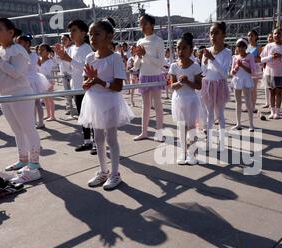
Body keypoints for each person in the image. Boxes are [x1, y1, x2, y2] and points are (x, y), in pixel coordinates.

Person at [0, 17, 42, 183]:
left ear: (10, 32)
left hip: (20, 93)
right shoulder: (0, 51)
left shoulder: (17, 50)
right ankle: (23, 159)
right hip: (4, 94)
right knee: (17, 130)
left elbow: (17, 73)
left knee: (28, 128)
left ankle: (34, 163)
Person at [79, 18, 134, 191]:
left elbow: (118, 86)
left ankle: (115, 174)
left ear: (109, 36)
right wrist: (87, 83)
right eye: (90, 34)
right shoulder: (89, 57)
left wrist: (100, 82)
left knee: (111, 138)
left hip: (109, 101)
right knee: (98, 138)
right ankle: (103, 171)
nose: (92, 38)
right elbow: (85, 81)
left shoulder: (115, 58)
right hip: (93, 101)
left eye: (97, 34)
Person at [55, 19, 95, 153]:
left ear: (83, 33)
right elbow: (69, 69)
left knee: (91, 116)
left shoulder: (86, 48)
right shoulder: (71, 48)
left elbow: (86, 69)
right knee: (82, 115)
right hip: (76, 87)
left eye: (74, 30)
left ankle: (96, 142)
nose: (71, 34)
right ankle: (87, 141)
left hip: (86, 88)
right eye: (70, 31)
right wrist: (62, 58)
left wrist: (69, 60)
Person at [169, 33, 203, 165]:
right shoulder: (174, 66)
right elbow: (172, 86)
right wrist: (180, 83)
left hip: (191, 100)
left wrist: (188, 82)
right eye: (178, 48)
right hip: (178, 100)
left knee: (191, 127)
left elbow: (199, 86)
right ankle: (183, 152)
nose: (180, 51)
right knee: (181, 127)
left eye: (184, 48)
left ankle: (192, 154)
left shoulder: (195, 66)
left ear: (190, 49)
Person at [132, 14, 166, 142]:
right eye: (140, 24)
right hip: (144, 76)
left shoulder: (158, 41)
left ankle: (159, 133)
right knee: (145, 106)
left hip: (156, 76)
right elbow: (136, 65)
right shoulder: (140, 41)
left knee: (157, 105)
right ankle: (144, 132)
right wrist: (138, 56)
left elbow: (160, 63)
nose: (142, 26)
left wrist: (145, 54)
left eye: (144, 23)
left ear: (152, 25)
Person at [200, 21, 232, 151]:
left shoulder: (227, 52)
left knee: (220, 114)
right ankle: (208, 142)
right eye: (211, 33)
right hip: (207, 85)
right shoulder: (207, 51)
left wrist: (212, 59)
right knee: (208, 114)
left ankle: (222, 142)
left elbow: (224, 74)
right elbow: (203, 72)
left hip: (219, 85)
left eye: (216, 33)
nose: (213, 36)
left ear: (223, 35)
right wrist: (206, 62)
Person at [16, 35, 50, 129]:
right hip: (30, 79)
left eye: (20, 43)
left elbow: (29, 67)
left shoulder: (30, 55)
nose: (18, 45)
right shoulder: (30, 55)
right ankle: (34, 121)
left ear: (27, 44)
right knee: (32, 103)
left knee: (36, 102)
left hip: (32, 80)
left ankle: (40, 122)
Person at [260, 28, 282, 119]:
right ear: (272, 35)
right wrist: (271, 56)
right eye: (275, 33)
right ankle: (272, 111)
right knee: (271, 92)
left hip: (280, 73)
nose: (276, 35)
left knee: (278, 92)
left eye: (279, 33)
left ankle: (277, 112)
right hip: (269, 72)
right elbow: (262, 59)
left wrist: (281, 57)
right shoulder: (268, 46)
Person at [231, 38, 255, 131]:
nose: (240, 48)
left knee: (248, 103)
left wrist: (242, 65)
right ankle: (238, 123)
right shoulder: (235, 57)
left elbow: (252, 71)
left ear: (246, 47)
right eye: (238, 46)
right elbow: (232, 72)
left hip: (246, 80)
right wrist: (236, 67)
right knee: (238, 103)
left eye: (242, 46)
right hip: (237, 80)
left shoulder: (250, 56)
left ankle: (251, 124)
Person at [38, 44, 57, 121]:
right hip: (41, 81)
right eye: (39, 49)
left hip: (49, 81)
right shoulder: (38, 59)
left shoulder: (50, 61)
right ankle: (48, 114)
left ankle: (52, 116)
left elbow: (48, 71)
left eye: (42, 50)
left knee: (50, 99)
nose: (40, 51)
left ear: (48, 51)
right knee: (45, 99)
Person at [57, 34, 75, 116]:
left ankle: (77, 108)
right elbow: (57, 62)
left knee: (74, 92)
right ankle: (69, 108)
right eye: (61, 39)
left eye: (65, 39)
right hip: (63, 74)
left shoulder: (72, 49)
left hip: (71, 74)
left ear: (70, 40)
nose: (63, 41)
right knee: (67, 92)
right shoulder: (61, 49)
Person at [247, 29, 262, 113]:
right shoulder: (247, 47)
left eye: (252, 35)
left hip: (255, 68)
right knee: (247, 88)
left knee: (253, 88)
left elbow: (260, 59)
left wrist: (251, 58)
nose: (250, 37)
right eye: (249, 35)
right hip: (246, 69)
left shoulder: (258, 47)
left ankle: (253, 106)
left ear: (256, 37)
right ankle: (248, 105)